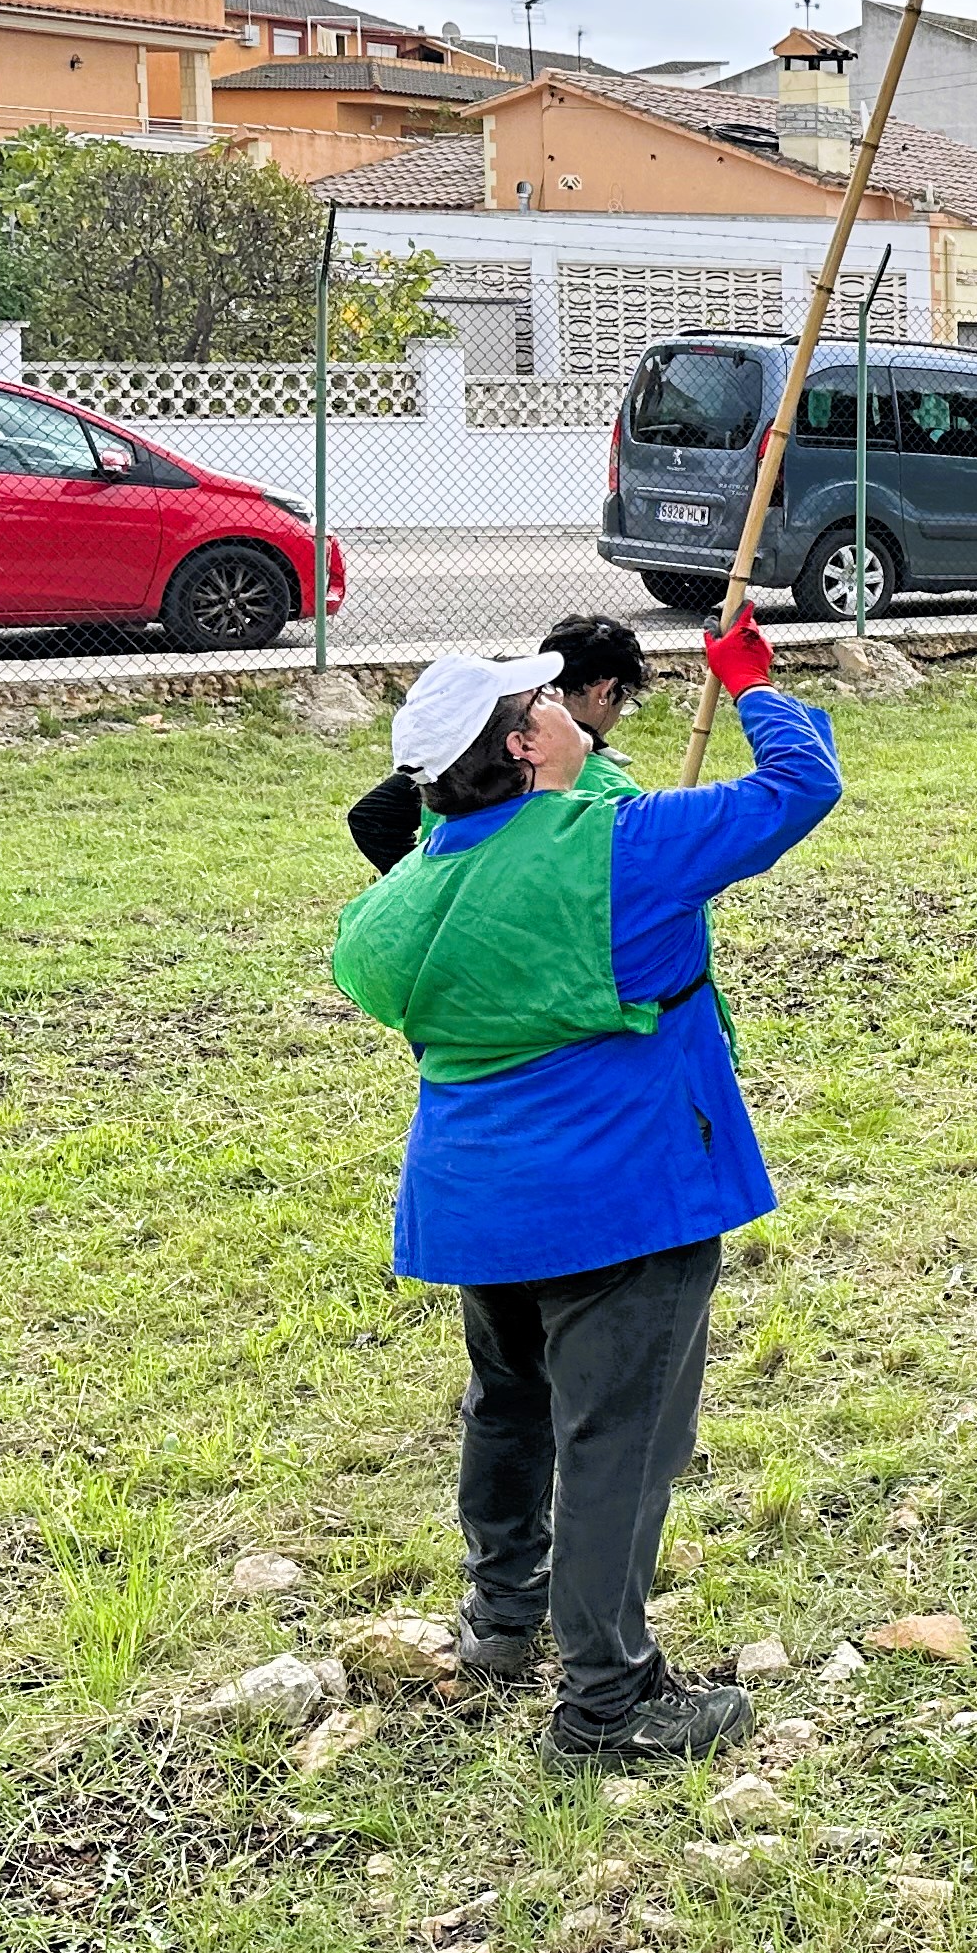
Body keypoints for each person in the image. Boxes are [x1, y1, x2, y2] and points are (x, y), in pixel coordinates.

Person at [328, 616, 836, 1761]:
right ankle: (609, 1701)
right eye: (542, 704)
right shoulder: (618, 847)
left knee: (508, 1405)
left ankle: (502, 1617)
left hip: (475, 1204)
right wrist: (752, 687)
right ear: (521, 749)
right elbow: (799, 789)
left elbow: (445, 897)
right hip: (624, 1193)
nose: (566, 709)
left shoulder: (384, 914)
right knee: (619, 1440)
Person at [346, 614, 654, 872]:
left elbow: (373, 814)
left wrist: (425, 886)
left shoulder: (465, 753)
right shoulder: (611, 790)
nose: (555, 697)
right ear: (606, 690)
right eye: (541, 697)